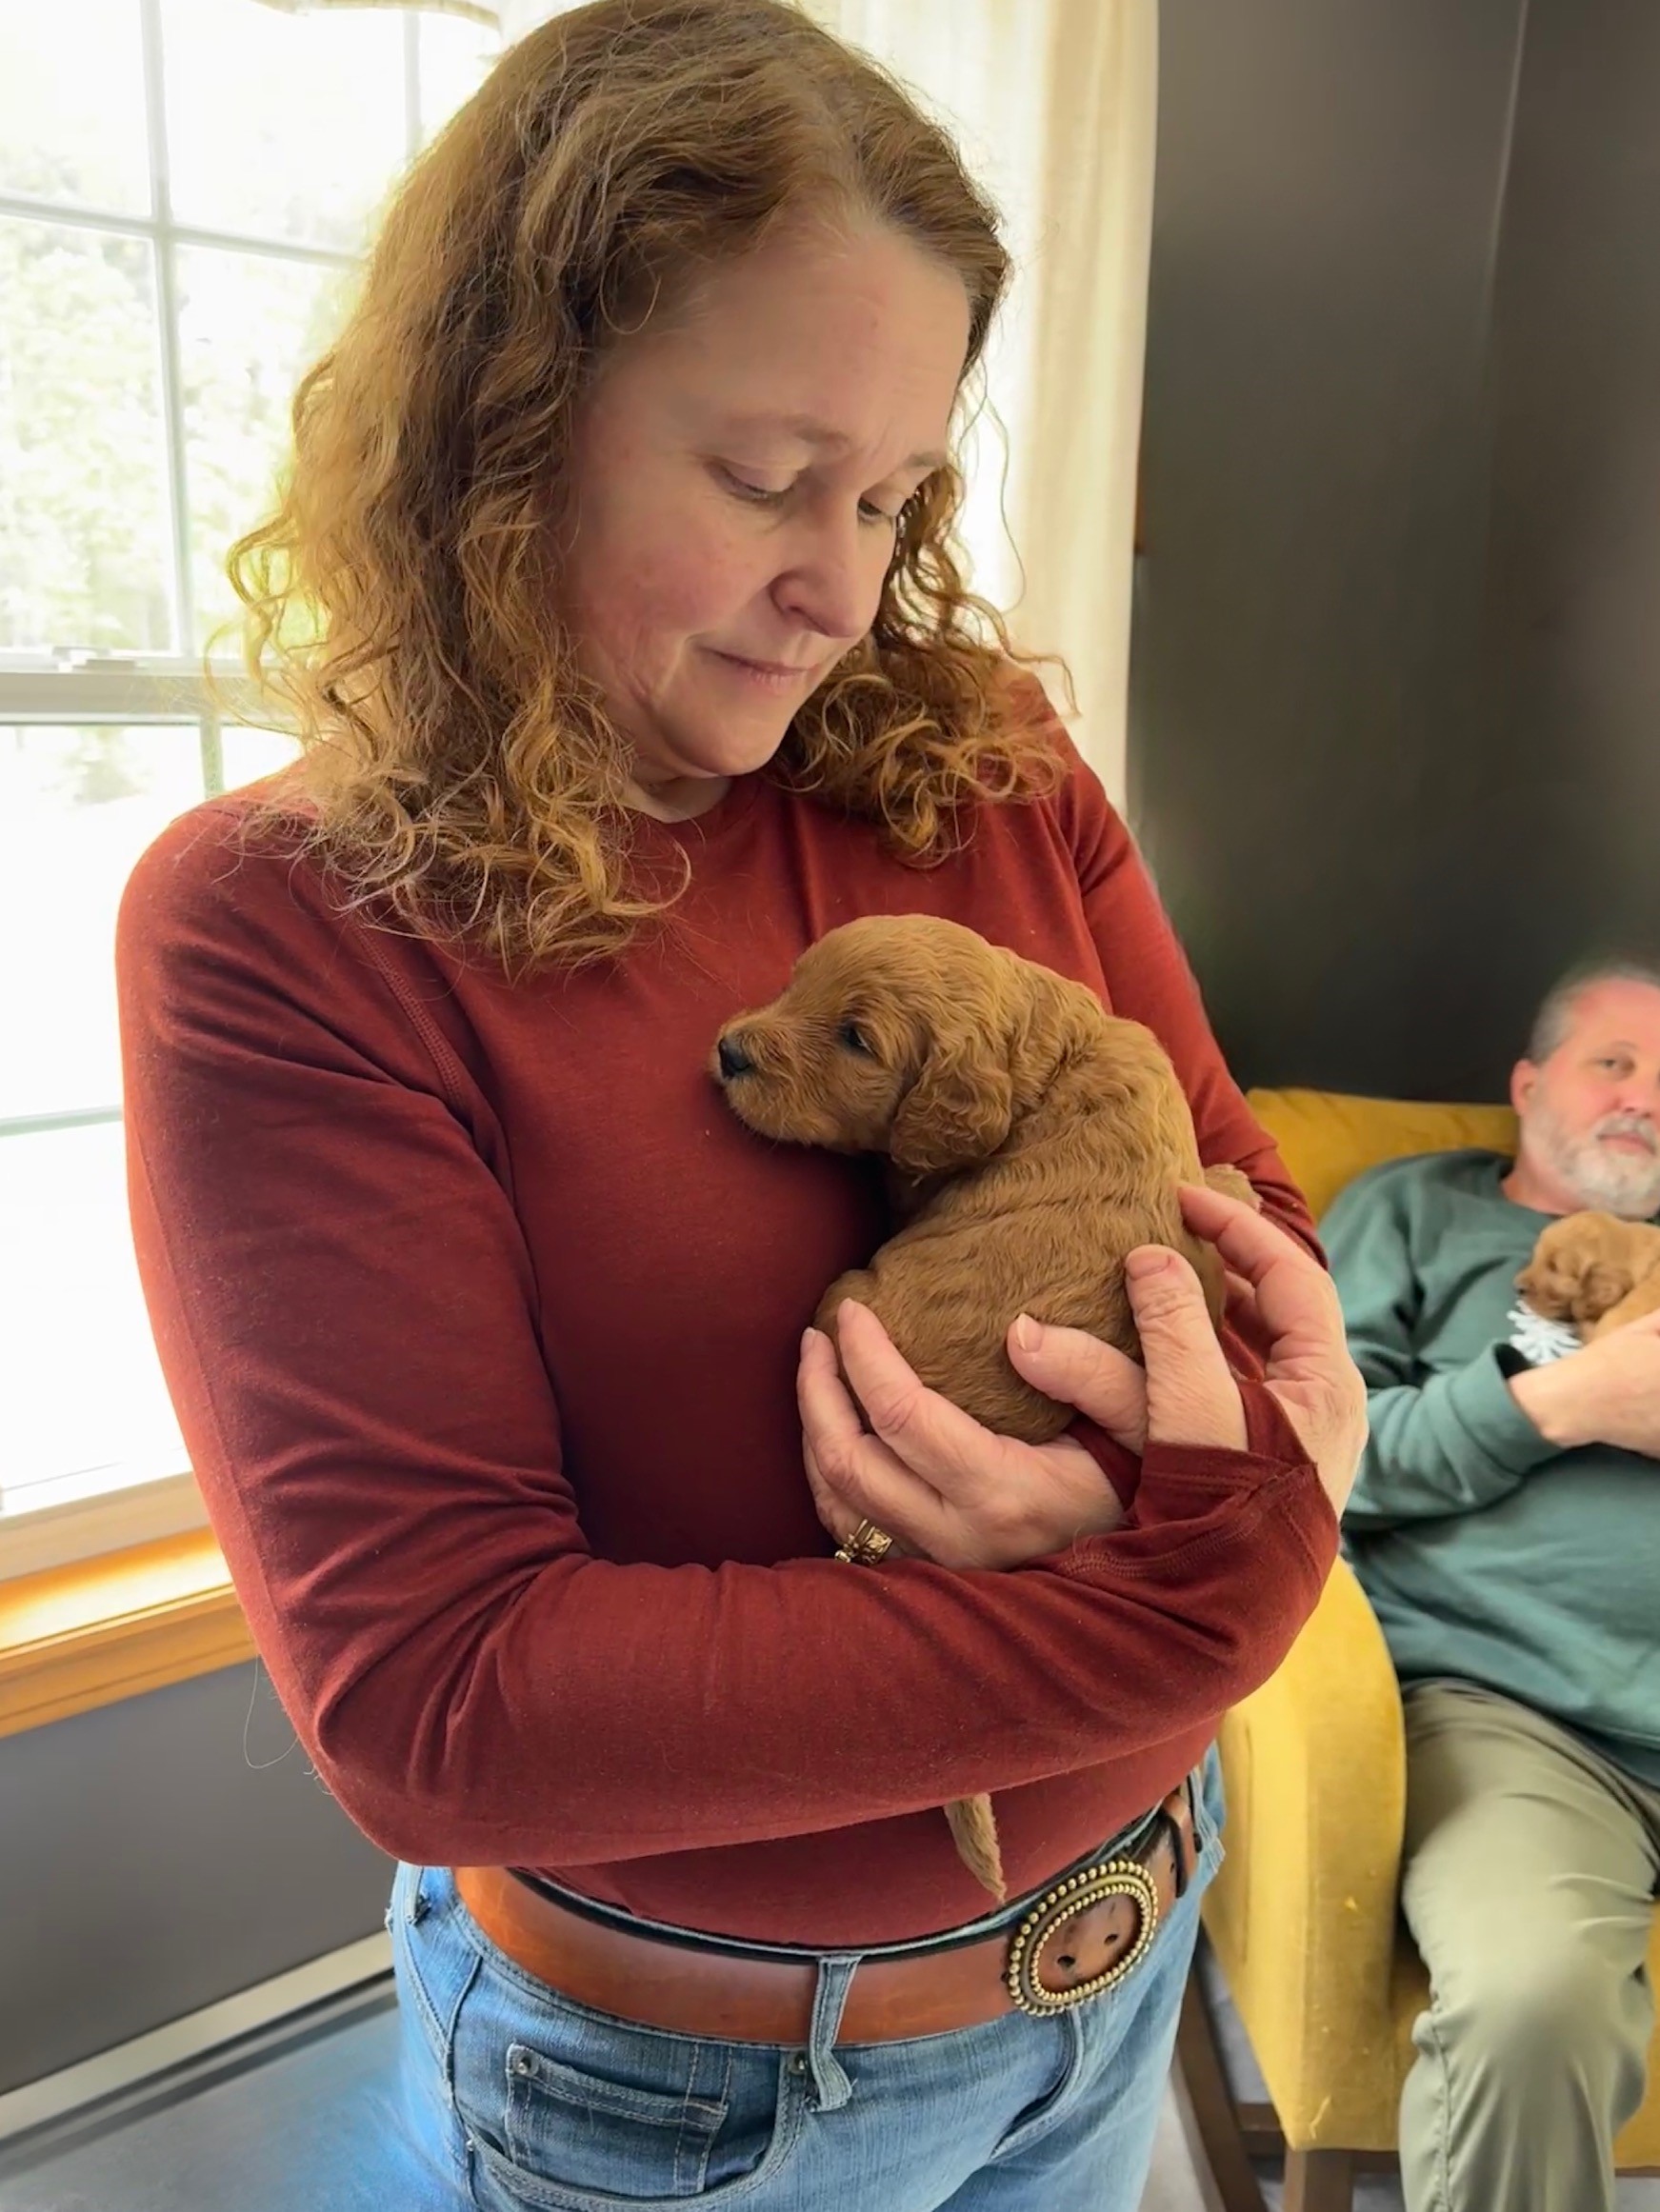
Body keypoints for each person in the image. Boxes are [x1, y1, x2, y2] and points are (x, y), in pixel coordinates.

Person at [115, 5, 1364, 2207]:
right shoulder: (290, 928)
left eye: (888, 496)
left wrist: (1161, 1494)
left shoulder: (990, 766)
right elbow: (445, 1701)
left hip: (1127, 1941)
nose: (840, 587)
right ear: (511, 428)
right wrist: (1196, 1584)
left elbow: (1242, 1215)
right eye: (768, 479)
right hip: (698, 2098)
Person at [1325, 960, 1660, 2212]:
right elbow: (1315, 1454)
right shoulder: (1416, 1212)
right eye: (1614, 1062)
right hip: (1527, 1718)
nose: (1646, 1098)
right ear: (1527, 1085)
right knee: (1532, 1998)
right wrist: (1563, 1403)